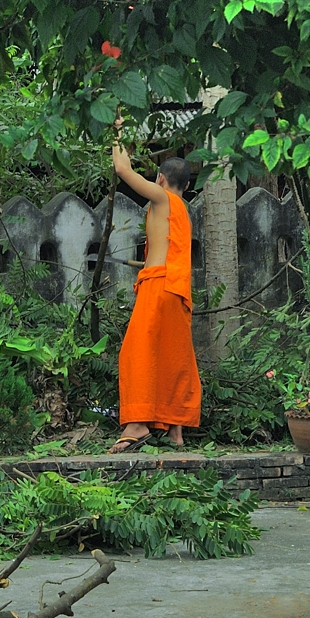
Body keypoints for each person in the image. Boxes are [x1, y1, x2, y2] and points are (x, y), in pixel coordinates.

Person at [108, 124, 201, 453]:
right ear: (187, 185)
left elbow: (122, 169)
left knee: (136, 353)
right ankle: (176, 432)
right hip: (179, 292)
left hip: (159, 285)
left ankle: (137, 425)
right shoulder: (184, 211)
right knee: (174, 357)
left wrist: (117, 129)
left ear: (161, 179)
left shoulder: (161, 198)